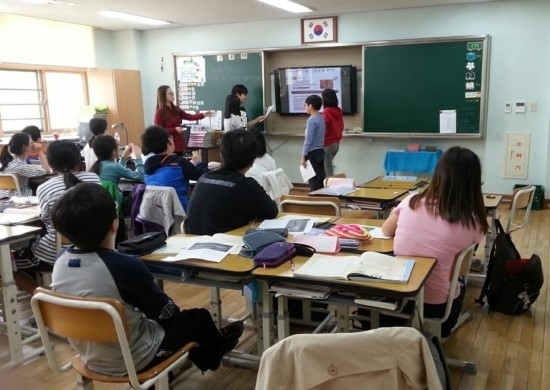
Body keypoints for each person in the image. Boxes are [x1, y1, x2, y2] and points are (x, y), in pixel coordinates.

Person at [49, 182, 244, 375]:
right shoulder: (122, 266)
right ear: (114, 224)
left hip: (89, 356)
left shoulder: (60, 261)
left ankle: (210, 346)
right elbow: (166, 313)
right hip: (136, 358)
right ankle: (212, 354)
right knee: (198, 318)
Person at [381, 146, 488, 338]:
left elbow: (386, 230)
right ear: (473, 183)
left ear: (438, 173)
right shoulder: (473, 221)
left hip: (398, 298)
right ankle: (438, 333)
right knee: (460, 282)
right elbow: (461, 269)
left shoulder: (411, 201)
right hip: (437, 307)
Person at [12, 140, 100, 294]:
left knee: (9, 264)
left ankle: (45, 297)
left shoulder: (45, 187)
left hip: (57, 252)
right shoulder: (94, 179)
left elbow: (46, 218)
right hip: (95, 246)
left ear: (51, 163)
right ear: (78, 159)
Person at [185, 129, 278, 235]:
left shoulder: (203, 178)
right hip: (225, 246)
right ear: (253, 161)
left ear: (221, 155)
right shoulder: (246, 185)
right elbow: (271, 211)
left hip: (190, 243)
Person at [141, 126, 208, 209]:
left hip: (156, 215)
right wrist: (198, 162)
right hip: (180, 214)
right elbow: (205, 176)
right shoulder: (179, 163)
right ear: (169, 141)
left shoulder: (147, 165)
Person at [154, 85, 215, 155]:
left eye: (172, 93)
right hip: (168, 146)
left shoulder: (175, 108)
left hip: (179, 144)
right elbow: (158, 131)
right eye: (170, 93)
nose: (173, 95)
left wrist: (203, 115)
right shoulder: (159, 112)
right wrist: (174, 130)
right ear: (163, 96)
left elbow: (189, 116)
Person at [0, 133, 50, 197]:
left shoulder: (11, 161)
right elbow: (47, 170)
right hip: (20, 196)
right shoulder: (18, 166)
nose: (34, 145)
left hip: (5, 195)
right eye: (32, 143)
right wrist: (40, 151)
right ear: (25, 147)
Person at [301, 95, 326, 191]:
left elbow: (308, 141)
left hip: (312, 153)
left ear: (310, 106)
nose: (305, 107)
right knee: (320, 177)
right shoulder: (321, 118)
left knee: (313, 179)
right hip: (320, 151)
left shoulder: (311, 121)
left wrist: (303, 156)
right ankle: (322, 200)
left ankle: (315, 201)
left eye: (305, 105)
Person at [321, 88, 344, 177]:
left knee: (327, 172)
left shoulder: (326, 112)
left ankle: (327, 190)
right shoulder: (338, 111)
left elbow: (323, 128)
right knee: (327, 168)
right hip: (336, 144)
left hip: (326, 144)